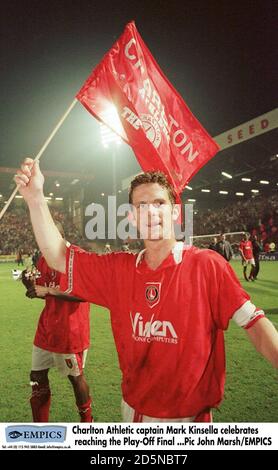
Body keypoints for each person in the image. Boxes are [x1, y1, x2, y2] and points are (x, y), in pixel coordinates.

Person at [15, 159, 278, 423]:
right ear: (132, 217)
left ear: (175, 212)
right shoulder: (118, 270)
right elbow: (59, 256)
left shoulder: (207, 265)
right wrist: (36, 197)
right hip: (132, 413)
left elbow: (254, 322)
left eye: (159, 203)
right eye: (141, 206)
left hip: (191, 420)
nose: (151, 212)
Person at [21, 221, 93, 423]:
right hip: (46, 328)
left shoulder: (78, 257)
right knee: (36, 376)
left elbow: (84, 293)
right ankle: (39, 426)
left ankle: (87, 421)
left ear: (58, 235)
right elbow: (44, 291)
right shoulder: (44, 259)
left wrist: (48, 290)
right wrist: (31, 286)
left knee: (75, 377)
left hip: (69, 330)